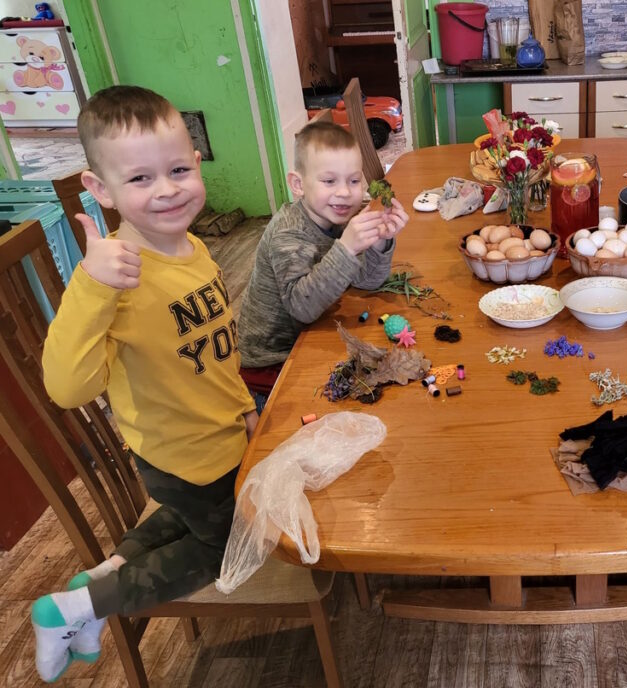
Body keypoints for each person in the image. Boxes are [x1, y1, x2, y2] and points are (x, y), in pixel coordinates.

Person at [32, 85, 258, 682]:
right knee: (225, 545)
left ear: (197, 162)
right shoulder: (115, 277)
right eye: (139, 179)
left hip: (220, 436)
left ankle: (102, 574)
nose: (166, 190)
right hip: (185, 455)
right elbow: (67, 388)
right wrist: (91, 284)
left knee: (194, 517)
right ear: (101, 189)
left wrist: (243, 407)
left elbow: (215, 349)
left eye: (178, 170)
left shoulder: (194, 247)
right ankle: (75, 610)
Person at [236, 121, 408, 405]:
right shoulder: (288, 233)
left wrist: (380, 242)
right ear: (298, 184)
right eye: (329, 181)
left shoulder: (335, 216)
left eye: (354, 181)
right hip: (271, 366)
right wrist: (346, 248)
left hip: (312, 336)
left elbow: (367, 281)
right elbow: (302, 307)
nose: (345, 192)